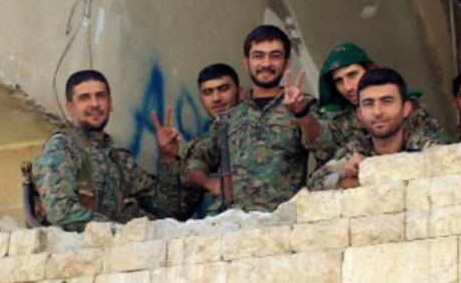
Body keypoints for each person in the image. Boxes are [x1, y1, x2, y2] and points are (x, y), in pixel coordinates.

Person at [184, 25, 319, 212]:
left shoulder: (304, 105)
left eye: (275, 56)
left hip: (281, 220)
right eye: (258, 56)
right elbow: (195, 159)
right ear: (246, 62)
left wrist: (300, 113)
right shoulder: (231, 115)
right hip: (231, 221)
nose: (266, 63)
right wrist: (211, 184)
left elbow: (325, 149)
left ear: (287, 63)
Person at [33, 69, 184, 231]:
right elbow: (61, 212)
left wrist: (168, 158)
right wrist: (119, 231)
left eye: (100, 96)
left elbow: (167, 210)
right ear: (70, 108)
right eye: (84, 98)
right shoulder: (62, 147)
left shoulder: (118, 158)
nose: (95, 104)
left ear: (110, 103)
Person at [308, 41, 453, 165]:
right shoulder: (337, 119)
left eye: (352, 75)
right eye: (339, 81)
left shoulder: (410, 107)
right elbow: (325, 161)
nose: (348, 87)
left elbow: (445, 151)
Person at [309, 67, 452, 190]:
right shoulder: (357, 149)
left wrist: (372, 169)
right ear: (359, 114)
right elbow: (315, 181)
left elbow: (452, 164)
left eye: (387, 101)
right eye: (369, 104)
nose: (377, 112)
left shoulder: (424, 143)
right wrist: (348, 178)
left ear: (406, 109)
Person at [175, 63, 242, 218]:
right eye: (208, 92)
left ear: (240, 92)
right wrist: (212, 184)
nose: (216, 98)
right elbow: (194, 165)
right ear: (201, 99)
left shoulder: (252, 121)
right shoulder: (213, 134)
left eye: (223, 89)